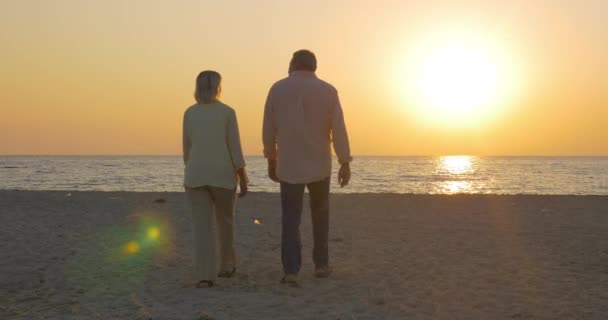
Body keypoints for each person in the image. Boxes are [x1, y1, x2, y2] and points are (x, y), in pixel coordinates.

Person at [263, 50, 352, 285]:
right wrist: (344, 161)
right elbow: (339, 129)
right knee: (320, 216)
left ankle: (291, 270)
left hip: (289, 163)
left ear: (293, 63)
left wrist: (271, 158)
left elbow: (269, 128)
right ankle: (321, 265)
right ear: (314, 66)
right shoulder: (328, 91)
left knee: (290, 219)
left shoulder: (277, 88)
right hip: (319, 163)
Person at [183, 70, 248, 288]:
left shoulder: (189, 113)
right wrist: (243, 175)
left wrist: (193, 167)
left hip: (196, 174)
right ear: (218, 88)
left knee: (202, 227)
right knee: (225, 222)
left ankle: (204, 276)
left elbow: (187, 149)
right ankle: (227, 266)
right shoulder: (228, 112)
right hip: (222, 174)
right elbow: (234, 147)